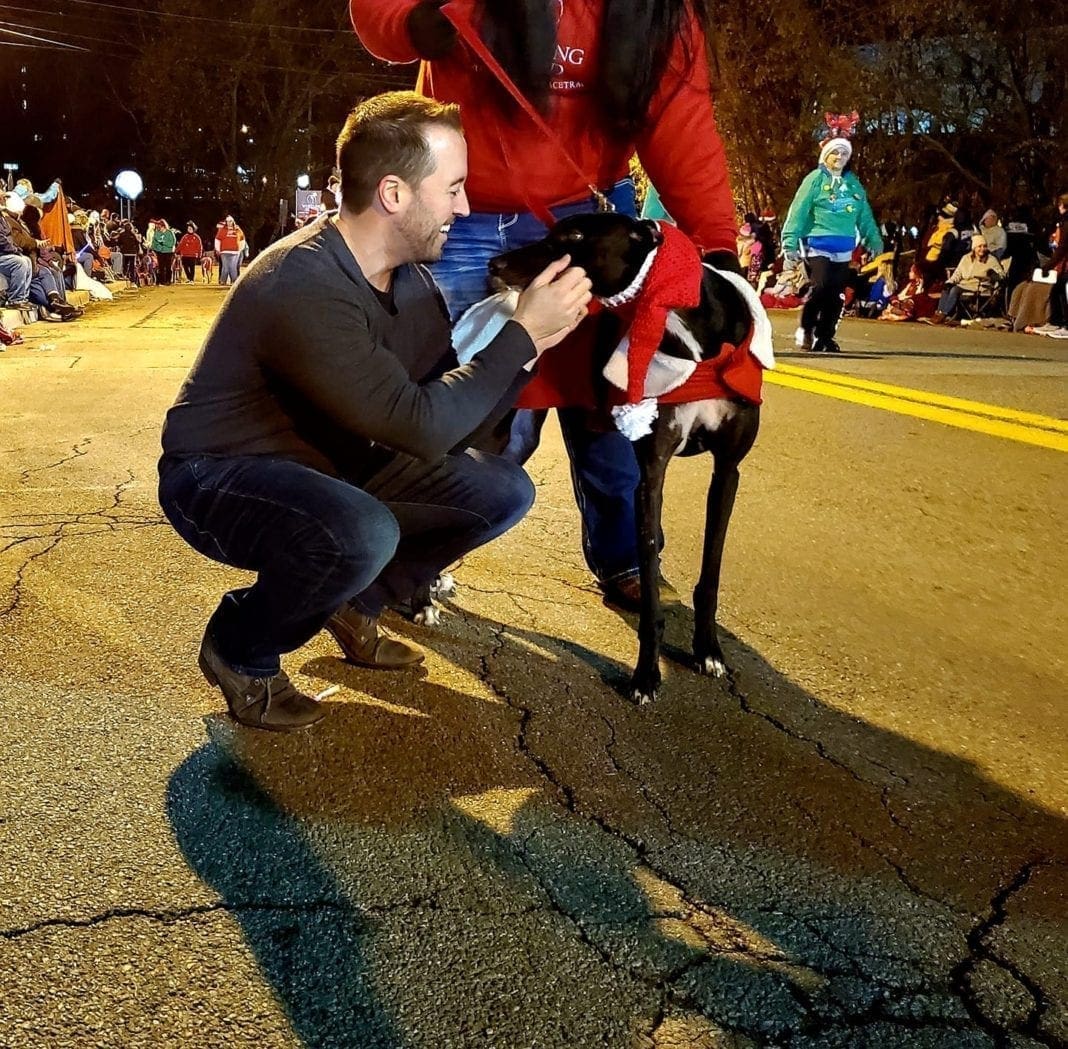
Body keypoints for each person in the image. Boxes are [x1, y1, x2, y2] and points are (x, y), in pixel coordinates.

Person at [157, 91, 592, 731]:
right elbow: (418, 424)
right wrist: (520, 335)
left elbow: (452, 424)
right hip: (221, 475)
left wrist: (533, 348)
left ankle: (355, 601)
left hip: (333, 462)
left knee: (501, 489)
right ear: (394, 194)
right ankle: (240, 649)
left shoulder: (411, 281)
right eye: (453, 189)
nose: (465, 208)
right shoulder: (303, 282)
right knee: (361, 530)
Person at [349, 0, 740, 609]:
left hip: (589, 224)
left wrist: (716, 244)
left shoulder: (661, 13)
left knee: (608, 402)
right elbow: (380, 14)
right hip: (459, 215)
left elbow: (680, 121)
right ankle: (408, 558)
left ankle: (626, 560)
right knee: (465, 405)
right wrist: (407, 19)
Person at [781, 133, 883, 352]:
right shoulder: (814, 180)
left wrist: (873, 241)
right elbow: (797, 212)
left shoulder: (853, 185)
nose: (839, 156)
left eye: (844, 153)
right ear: (825, 155)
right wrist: (789, 243)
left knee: (836, 295)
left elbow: (864, 216)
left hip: (843, 248)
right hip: (817, 244)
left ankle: (825, 337)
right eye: (835, 152)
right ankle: (806, 328)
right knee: (821, 288)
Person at [922, 234, 1004, 326]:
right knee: (947, 289)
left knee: (955, 289)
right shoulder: (966, 258)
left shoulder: (991, 259)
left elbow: (1001, 274)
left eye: (984, 246)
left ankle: (944, 314)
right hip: (964, 284)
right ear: (974, 247)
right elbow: (958, 273)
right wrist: (950, 282)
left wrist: (992, 275)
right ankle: (938, 313)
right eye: (979, 246)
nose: (982, 249)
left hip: (979, 285)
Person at [214, 215, 246, 286]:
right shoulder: (222, 230)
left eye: (230, 221)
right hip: (224, 251)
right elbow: (217, 240)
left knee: (233, 267)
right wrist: (218, 249)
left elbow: (242, 240)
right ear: (226, 222)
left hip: (235, 252)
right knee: (225, 266)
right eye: (227, 221)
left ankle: (234, 281)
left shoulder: (238, 229)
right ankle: (223, 280)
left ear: (233, 221)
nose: (229, 223)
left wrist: (240, 249)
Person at [151, 219, 177, 285]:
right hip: (159, 252)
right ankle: (162, 281)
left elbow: (172, 242)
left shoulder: (169, 233)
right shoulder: (157, 233)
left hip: (168, 252)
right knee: (161, 267)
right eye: (158, 228)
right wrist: (154, 248)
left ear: (164, 226)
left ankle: (168, 280)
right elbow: (154, 242)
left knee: (168, 266)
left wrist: (164, 243)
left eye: (160, 227)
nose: (160, 229)